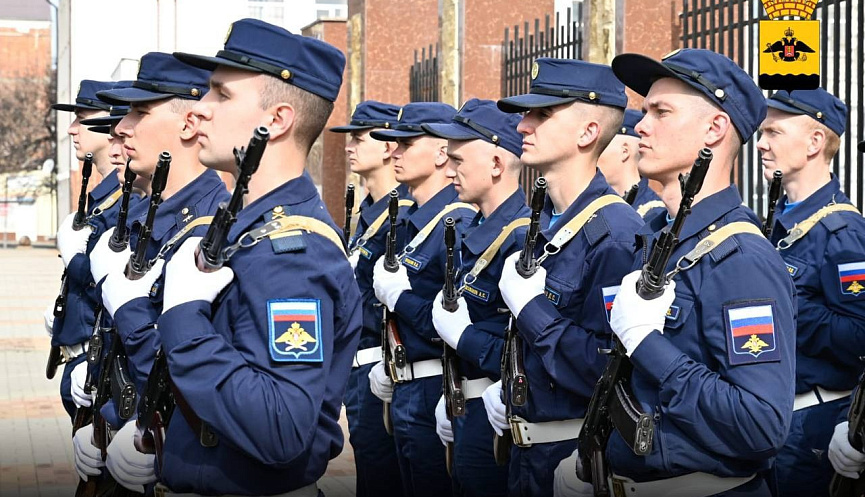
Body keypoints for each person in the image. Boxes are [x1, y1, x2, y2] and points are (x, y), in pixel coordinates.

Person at [130, 18, 361, 495]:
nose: (201, 107)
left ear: (276, 120)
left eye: (221, 94)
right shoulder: (248, 230)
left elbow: (280, 428)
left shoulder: (293, 254)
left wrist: (184, 318)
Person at [564, 47, 798, 496]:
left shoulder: (741, 258)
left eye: (661, 111)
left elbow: (761, 424)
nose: (641, 125)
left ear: (714, 128)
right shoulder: (660, 241)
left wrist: (647, 343)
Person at [70, 52, 231, 493]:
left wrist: (154, 435)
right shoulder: (151, 216)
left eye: (140, 112)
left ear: (188, 124)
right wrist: (105, 415)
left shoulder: (210, 233)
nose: (121, 128)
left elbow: (194, 371)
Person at [483, 58, 644, 497]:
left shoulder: (614, 235)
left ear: (587, 132)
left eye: (542, 114)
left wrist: (533, 311)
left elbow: (610, 368)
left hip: (573, 455)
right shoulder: (550, 223)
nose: (523, 125)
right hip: (527, 453)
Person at [367, 101, 476, 497]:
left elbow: (451, 322)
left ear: (442, 152)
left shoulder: (456, 221)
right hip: (405, 382)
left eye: (407, 143)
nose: (394, 152)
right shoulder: (414, 218)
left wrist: (400, 298)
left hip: (434, 384)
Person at [424, 98, 528, 497]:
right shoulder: (477, 228)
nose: (449, 170)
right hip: (465, 406)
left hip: (496, 418)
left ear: (497, 164)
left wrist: (465, 338)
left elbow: (524, 349)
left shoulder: (520, 239)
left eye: (458, 160)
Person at [329, 100, 408, 497]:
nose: (349, 146)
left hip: (386, 369)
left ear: (389, 146)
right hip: (359, 370)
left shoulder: (404, 215)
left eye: (359, 138)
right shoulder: (370, 212)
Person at [49, 79, 135, 420]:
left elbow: (115, 286)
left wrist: (77, 262)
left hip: (99, 359)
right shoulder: (105, 195)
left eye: (83, 118)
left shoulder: (127, 199)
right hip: (83, 355)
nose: (72, 128)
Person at [597, 108, 666, 219]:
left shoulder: (653, 216)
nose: (591, 156)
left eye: (600, 148)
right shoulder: (597, 205)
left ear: (625, 152)